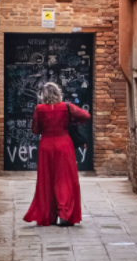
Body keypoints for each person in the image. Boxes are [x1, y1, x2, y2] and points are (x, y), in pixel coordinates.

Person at [23, 82, 91, 228]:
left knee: (47, 180)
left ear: (43, 95)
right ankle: (64, 213)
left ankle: (49, 215)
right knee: (64, 179)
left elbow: (35, 130)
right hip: (64, 145)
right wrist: (72, 122)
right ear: (58, 93)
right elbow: (86, 115)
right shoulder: (67, 107)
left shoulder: (39, 109)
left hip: (46, 146)